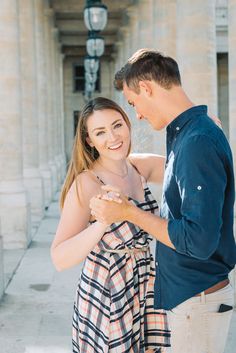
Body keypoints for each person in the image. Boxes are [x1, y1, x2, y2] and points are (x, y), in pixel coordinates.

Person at [89, 49, 236, 353]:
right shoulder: (189, 133)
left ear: (146, 88)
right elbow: (151, 166)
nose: (138, 114)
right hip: (194, 299)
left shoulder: (197, 140)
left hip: (200, 302)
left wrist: (128, 212)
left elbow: (198, 241)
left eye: (133, 103)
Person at [50, 97, 171, 353]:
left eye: (117, 125)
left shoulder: (139, 166)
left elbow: (184, 161)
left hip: (145, 281)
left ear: (127, 125)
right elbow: (59, 258)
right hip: (107, 290)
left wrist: (203, 127)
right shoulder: (87, 183)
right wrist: (102, 223)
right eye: (100, 132)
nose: (113, 137)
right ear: (89, 141)